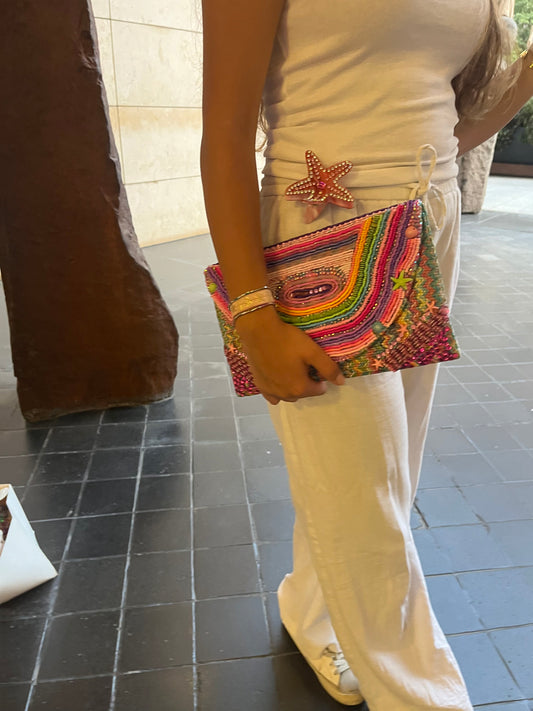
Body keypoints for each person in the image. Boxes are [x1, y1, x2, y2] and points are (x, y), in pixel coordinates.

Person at [200, 1, 533, 709]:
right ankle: (422, 695)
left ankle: (311, 607)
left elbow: (450, 124)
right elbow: (224, 132)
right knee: (368, 495)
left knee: (379, 472)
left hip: (427, 219)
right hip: (323, 225)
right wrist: (253, 312)